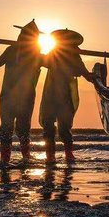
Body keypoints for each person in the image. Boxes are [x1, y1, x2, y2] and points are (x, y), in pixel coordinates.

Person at [0, 20, 43, 163]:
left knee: (21, 128)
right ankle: (9, 159)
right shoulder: (17, 51)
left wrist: (66, 52)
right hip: (10, 96)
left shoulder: (35, 54)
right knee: (11, 128)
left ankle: (22, 159)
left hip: (22, 97)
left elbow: (53, 62)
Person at [39, 28, 92, 164]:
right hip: (50, 95)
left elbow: (86, 74)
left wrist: (96, 77)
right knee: (49, 127)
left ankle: (69, 156)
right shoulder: (54, 53)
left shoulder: (75, 57)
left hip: (65, 96)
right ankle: (50, 156)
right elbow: (41, 60)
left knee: (64, 129)